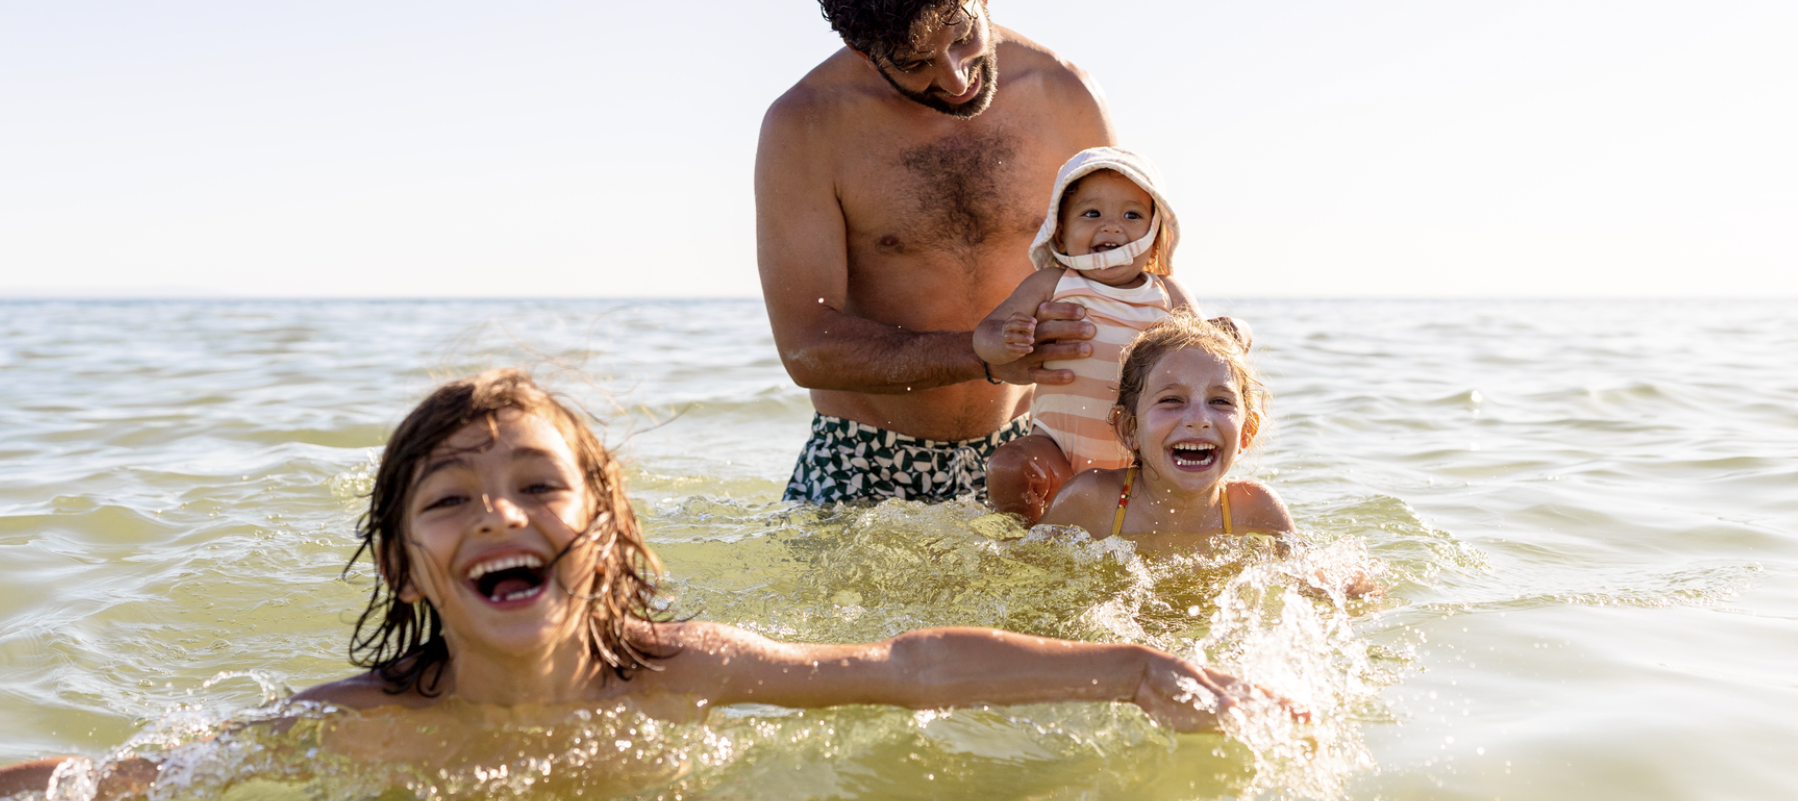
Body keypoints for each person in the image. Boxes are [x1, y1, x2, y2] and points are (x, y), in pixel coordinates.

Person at [0, 370, 1303, 798]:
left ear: (604, 523)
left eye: (536, 485)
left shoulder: (683, 667)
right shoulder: (360, 719)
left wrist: (1133, 665)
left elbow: (902, 667)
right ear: (406, 563)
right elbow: (125, 775)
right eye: (449, 500)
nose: (498, 513)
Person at [758, 0, 1114, 503]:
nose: (955, 78)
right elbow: (806, 347)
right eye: (916, 62)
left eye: (962, 36)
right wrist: (977, 354)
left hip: (1036, 444)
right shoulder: (806, 126)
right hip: (862, 454)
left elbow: (1125, 273)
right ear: (863, 49)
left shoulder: (1065, 95)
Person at [975, 147, 1199, 523]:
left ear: (1156, 235)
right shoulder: (1051, 283)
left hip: (1139, 461)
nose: (1111, 226)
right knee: (1008, 467)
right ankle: (1024, 546)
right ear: (1060, 235)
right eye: (1091, 213)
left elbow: (1210, 350)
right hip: (1056, 448)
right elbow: (984, 335)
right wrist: (1004, 340)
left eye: (1132, 215)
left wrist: (1233, 332)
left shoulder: (1166, 293)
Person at [1037, 314, 1294, 545]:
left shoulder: (1255, 509)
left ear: (1246, 432)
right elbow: (1029, 572)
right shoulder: (1091, 501)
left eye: (1220, 401)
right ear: (1129, 428)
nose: (1199, 419)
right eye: (1171, 400)